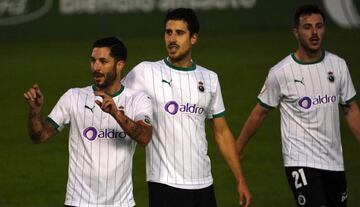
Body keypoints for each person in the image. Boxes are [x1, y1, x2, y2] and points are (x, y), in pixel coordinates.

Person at [122, 8, 251, 207]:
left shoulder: (209, 79)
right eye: (168, 32)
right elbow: (116, 96)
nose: (172, 39)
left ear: (193, 38)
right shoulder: (146, 72)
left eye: (179, 33)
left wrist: (240, 179)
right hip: (164, 183)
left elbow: (222, 133)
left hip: (203, 183)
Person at [236, 4, 360, 207]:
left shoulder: (338, 66)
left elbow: (350, 109)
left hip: (334, 162)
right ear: (296, 32)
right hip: (300, 162)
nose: (314, 33)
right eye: (307, 27)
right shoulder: (281, 72)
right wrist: (238, 148)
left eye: (319, 26)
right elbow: (259, 113)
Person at [23, 37, 153, 207]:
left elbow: (144, 137)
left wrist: (116, 113)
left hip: (121, 203)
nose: (96, 67)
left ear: (120, 64)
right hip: (78, 202)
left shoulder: (137, 100)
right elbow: (39, 136)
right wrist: (34, 112)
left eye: (103, 61)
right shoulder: (74, 97)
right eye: (93, 61)